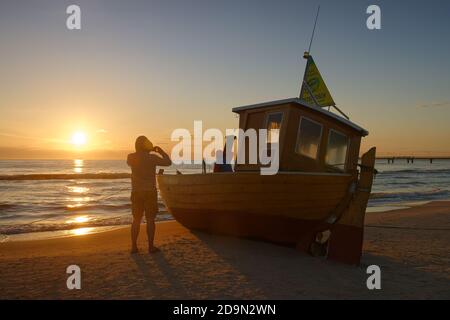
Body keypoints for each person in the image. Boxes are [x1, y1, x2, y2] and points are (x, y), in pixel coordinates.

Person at [127, 135, 171, 254]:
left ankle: (134, 247)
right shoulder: (152, 158)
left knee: (136, 219)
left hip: (136, 191)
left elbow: (133, 163)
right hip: (150, 191)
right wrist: (160, 151)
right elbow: (168, 162)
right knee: (150, 220)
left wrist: (145, 151)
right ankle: (150, 247)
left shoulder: (130, 157)